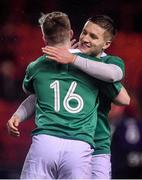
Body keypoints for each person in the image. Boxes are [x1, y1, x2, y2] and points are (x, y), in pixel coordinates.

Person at [7, 14, 130, 179]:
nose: (85, 38)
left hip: (97, 145)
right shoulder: (62, 58)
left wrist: (74, 59)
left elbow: (124, 97)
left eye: (93, 36)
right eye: (84, 32)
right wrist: (19, 114)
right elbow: (40, 94)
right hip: (75, 142)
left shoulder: (108, 63)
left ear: (106, 44)